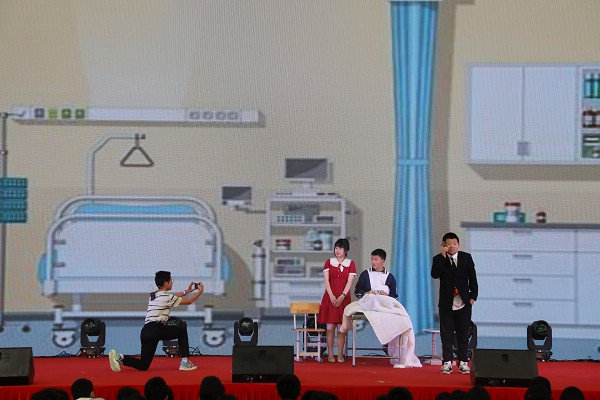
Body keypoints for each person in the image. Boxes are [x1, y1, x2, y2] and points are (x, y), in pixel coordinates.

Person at [339, 248, 421, 368]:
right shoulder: (365, 274)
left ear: (383, 260)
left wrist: (386, 296)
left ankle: (399, 349)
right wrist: (367, 293)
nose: (373, 261)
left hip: (385, 306)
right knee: (370, 300)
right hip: (369, 303)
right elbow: (358, 291)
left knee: (403, 317)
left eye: (376, 259)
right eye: (372, 259)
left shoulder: (390, 277)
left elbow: (394, 296)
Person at [108, 270, 204, 372]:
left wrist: (186, 292)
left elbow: (172, 297)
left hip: (146, 331)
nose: (172, 283)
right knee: (182, 328)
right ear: (166, 283)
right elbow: (189, 301)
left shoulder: (153, 295)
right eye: (171, 281)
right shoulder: (167, 297)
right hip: (156, 329)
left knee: (143, 365)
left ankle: (120, 357)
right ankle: (185, 362)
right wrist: (200, 291)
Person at [431, 232, 478, 374]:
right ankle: (447, 362)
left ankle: (463, 362)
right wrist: (443, 256)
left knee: (463, 333)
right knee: (446, 334)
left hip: (464, 302)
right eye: (449, 244)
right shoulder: (438, 259)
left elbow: (472, 278)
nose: (452, 246)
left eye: (455, 243)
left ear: (458, 244)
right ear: (444, 245)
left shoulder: (466, 258)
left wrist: (473, 297)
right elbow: (435, 274)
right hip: (446, 304)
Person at [317, 238, 356, 363]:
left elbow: (349, 281)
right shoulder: (329, 262)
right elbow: (326, 280)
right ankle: (330, 354)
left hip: (344, 298)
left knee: (341, 327)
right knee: (330, 326)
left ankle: (340, 354)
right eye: (336, 248)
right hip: (330, 297)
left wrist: (342, 295)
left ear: (346, 250)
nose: (337, 250)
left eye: (340, 248)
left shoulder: (351, 263)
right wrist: (332, 296)